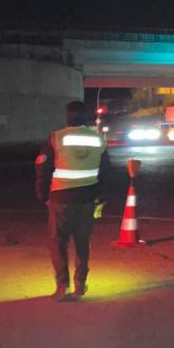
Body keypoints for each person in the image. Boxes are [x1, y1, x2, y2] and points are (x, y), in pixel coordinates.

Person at [35, 101, 110, 301]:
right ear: (86, 117)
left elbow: (43, 168)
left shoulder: (56, 138)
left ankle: (62, 287)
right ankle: (80, 284)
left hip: (61, 199)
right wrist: (102, 196)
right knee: (82, 242)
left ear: (67, 116)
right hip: (87, 199)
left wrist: (43, 195)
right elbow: (106, 171)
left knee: (58, 242)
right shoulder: (98, 139)